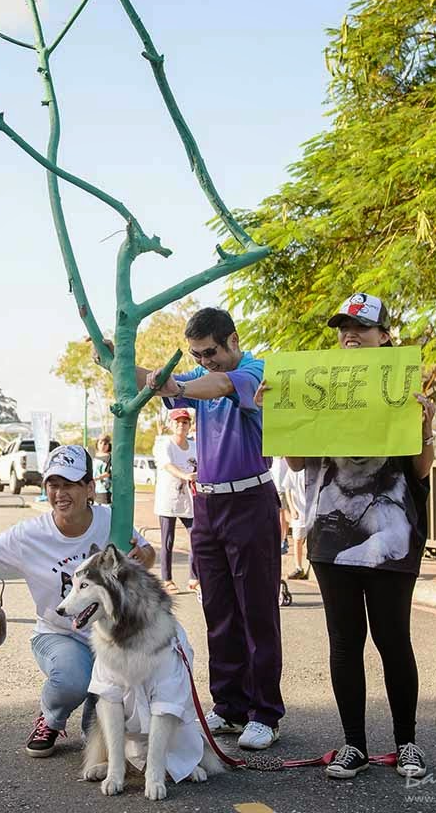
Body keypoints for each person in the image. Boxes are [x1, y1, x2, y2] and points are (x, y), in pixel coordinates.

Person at [265, 292, 435, 781]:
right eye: (343, 328)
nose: (350, 335)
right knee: (344, 642)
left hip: (393, 532)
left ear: (385, 336)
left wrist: (426, 428)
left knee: (392, 640)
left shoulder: (405, 389)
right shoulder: (318, 386)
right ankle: (353, 745)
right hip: (329, 536)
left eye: (361, 327)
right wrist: (279, 414)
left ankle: (407, 744)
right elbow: (296, 462)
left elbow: (421, 470)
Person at [138, 306, 284, 751]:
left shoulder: (253, 370)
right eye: (198, 355)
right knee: (217, 610)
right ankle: (229, 706)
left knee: (256, 610)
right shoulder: (199, 379)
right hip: (207, 504)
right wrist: (119, 358)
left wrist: (180, 383)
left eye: (211, 352)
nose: (206, 362)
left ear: (233, 341)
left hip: (251, 499)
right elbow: (165, 382)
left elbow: (217, 384)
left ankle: (265, 714)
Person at [0, 444, 155, 758]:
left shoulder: (111, 521)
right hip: (59, 634)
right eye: (53, 484)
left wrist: (142, 556)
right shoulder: (29, 534)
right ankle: (51, 716)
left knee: (104, 736)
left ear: (90, 487)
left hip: (112, 639)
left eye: (70, 485)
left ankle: (98, 700)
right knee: (72, 680)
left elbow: (147, 555)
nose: (60, 493)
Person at [152, 408, 200, 594]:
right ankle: (167, 579)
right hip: (168, 500)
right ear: (171, 425)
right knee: (167, 541)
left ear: (189, 425)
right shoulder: (164, 444)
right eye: (177, 421)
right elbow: (167, 465)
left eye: (185, 422)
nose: (181, 424)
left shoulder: (195, 446)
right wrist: (186, 475)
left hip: (190, 501)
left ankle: (194, 578)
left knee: (197, 537)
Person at [92, 434, 112, 504]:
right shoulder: (95, 456)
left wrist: (96, 478)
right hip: (94, 488)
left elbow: (108, 473)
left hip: (104, 489)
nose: (103, 446)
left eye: (105, 444)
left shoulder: (109, 457)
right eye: (100, 443)